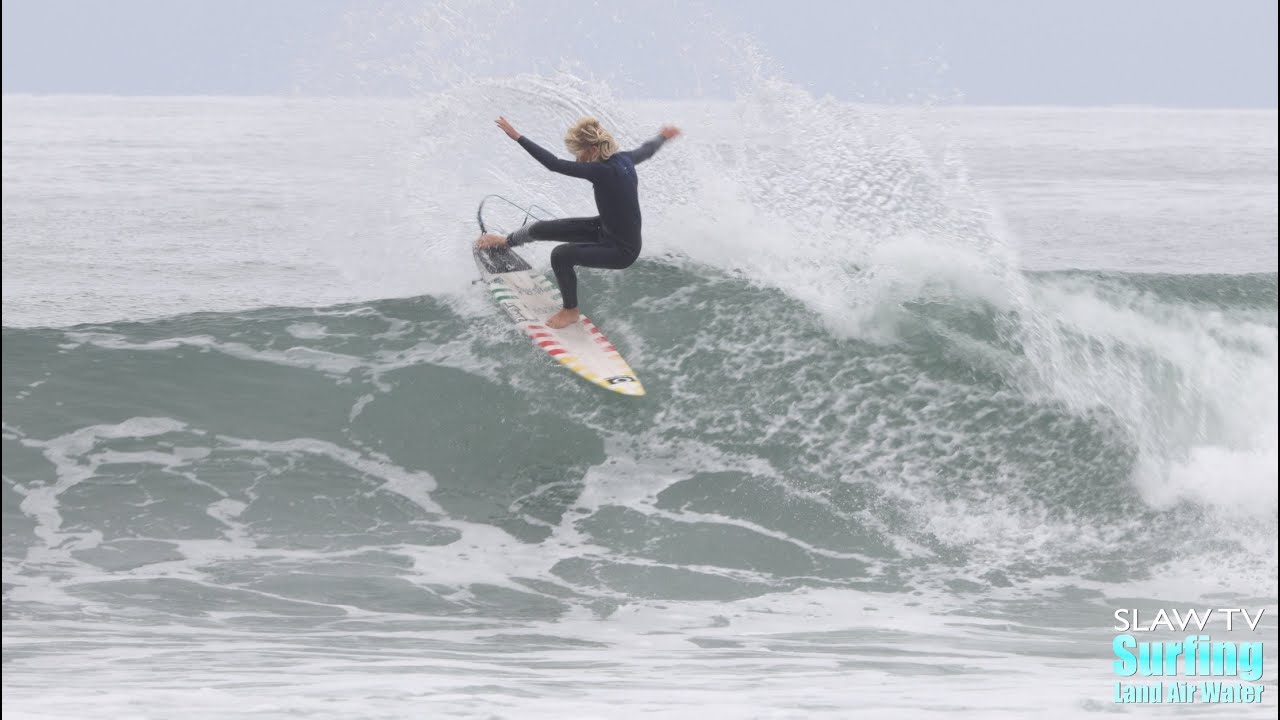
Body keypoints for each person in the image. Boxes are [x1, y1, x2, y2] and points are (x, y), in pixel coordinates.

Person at [476, 116, 681, 329]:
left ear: (592, 149)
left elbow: (554, 164)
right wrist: (662, 137)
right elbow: (647, 150)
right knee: (539, 228)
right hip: (605, 229)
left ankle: (570, 311)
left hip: (622, 250)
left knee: (561, 255)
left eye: (578, 153)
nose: (577, 159)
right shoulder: (624, 159)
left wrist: (518, 137)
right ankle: (506, 242)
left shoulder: (601, 170)